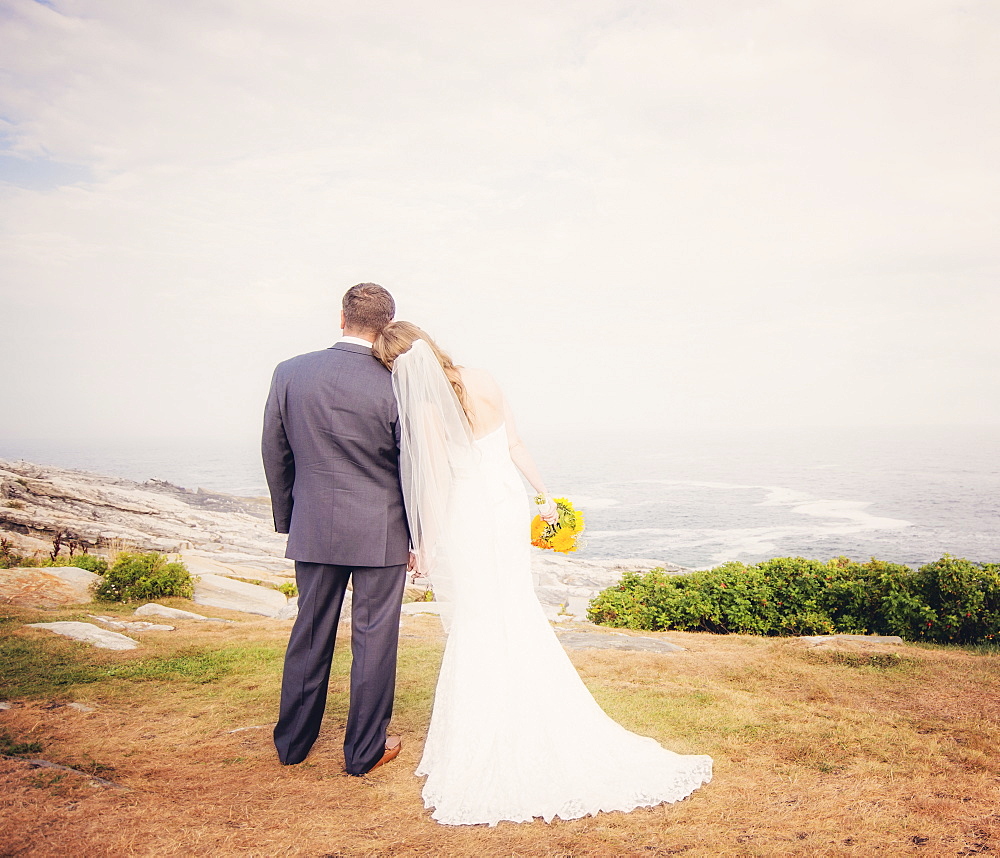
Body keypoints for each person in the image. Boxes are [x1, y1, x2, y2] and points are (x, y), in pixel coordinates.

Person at [372, 321, 713, 827]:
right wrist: (544, 496)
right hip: (506, 500)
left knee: (479, 613)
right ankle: (529, 703)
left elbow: (438, 476)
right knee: (512, 603)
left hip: (469, 510)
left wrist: (425, 540)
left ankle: (492, 727)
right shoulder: (483, 378)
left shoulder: (424, 405)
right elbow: (514, 443)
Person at [262, 283, 412, 776]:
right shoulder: (397, 380)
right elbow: (410, 465)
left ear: (341, 318)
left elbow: (276, 452)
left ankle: (292, 745)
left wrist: (290, 518)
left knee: (310, 631)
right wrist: (418, 536)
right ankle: (364, 753)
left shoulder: (291, 372)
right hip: (383, 530)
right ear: (386, 324)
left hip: (315, 525)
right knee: (374, 641)